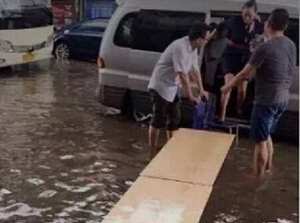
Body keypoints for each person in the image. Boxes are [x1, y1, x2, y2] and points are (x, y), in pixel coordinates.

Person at [221, 8, 297, 180]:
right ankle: (268, 170)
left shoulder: (265, 47)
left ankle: (257, 178)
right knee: (267, 135)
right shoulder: (290, 44)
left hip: (266, 100)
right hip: (283, 98)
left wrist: (227, 88)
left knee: (260, 140)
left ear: (269, 24)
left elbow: (245, 74)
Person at [148, 23, 211, 159]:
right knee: (159, 119)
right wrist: (190, 95)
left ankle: (171, 148)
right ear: (199, 39)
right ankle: (152, 151)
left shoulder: (193, 49)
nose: (207, 41)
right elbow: (183, 75)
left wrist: (201, 90)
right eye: (206, 39)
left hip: (172, 86)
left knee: (175, 118)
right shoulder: (180, 47)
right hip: (160, 85)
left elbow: (195, 70)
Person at [220, 0, 263, 122]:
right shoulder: (233, 21)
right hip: (231, 56)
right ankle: (222, 117)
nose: (246, 17)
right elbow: (221, 30)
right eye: (245, 14)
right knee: (228, 85)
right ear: (241, 12)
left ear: (255, 14)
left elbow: (262, 41)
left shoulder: (259, 26)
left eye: (250, 15)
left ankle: (238, 109)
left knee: (242, 90)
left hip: (246, 59)